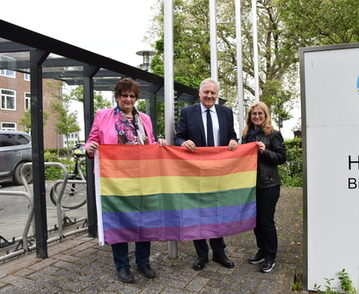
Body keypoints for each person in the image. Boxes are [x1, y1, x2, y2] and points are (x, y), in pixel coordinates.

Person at [85, 77, 166, 283]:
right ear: (117, 97)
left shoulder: (145, 119)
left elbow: (151, 144)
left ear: (136, 98)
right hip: (115, 179)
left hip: (142, 178)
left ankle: (143, 262)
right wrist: (90, 148)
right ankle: (122, 266)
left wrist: (160, 144)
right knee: (118, 222)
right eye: (124, 95)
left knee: (144, 222)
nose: (128, 99)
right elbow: (92, 139)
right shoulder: (103, 116)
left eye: (132, 96)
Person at [175, 77, 238, 271]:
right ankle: (201, 255)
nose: (209, 96)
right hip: (196, 173)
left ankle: (219, 253)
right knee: (198, 213)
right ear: (199, 94)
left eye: (213, 92)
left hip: (219, 172)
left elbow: (232, 135)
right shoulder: (187, 112)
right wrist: (182, 143)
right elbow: (178, 136)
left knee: (218, 212)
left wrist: (234, 141)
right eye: (206, 92)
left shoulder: (226, 113)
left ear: (217, 94)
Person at [242, 102, 286, 273]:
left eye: (260, 113)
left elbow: (282, 157)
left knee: (266, 221)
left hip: (269, 185)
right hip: (251, 185)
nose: (257, 116)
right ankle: (261, 251)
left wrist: (265, 150)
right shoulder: (246, 135)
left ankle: (270, 256)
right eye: (254, 114)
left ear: (265, 115)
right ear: (250, 116)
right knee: (255, 221)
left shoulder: (273, 134)